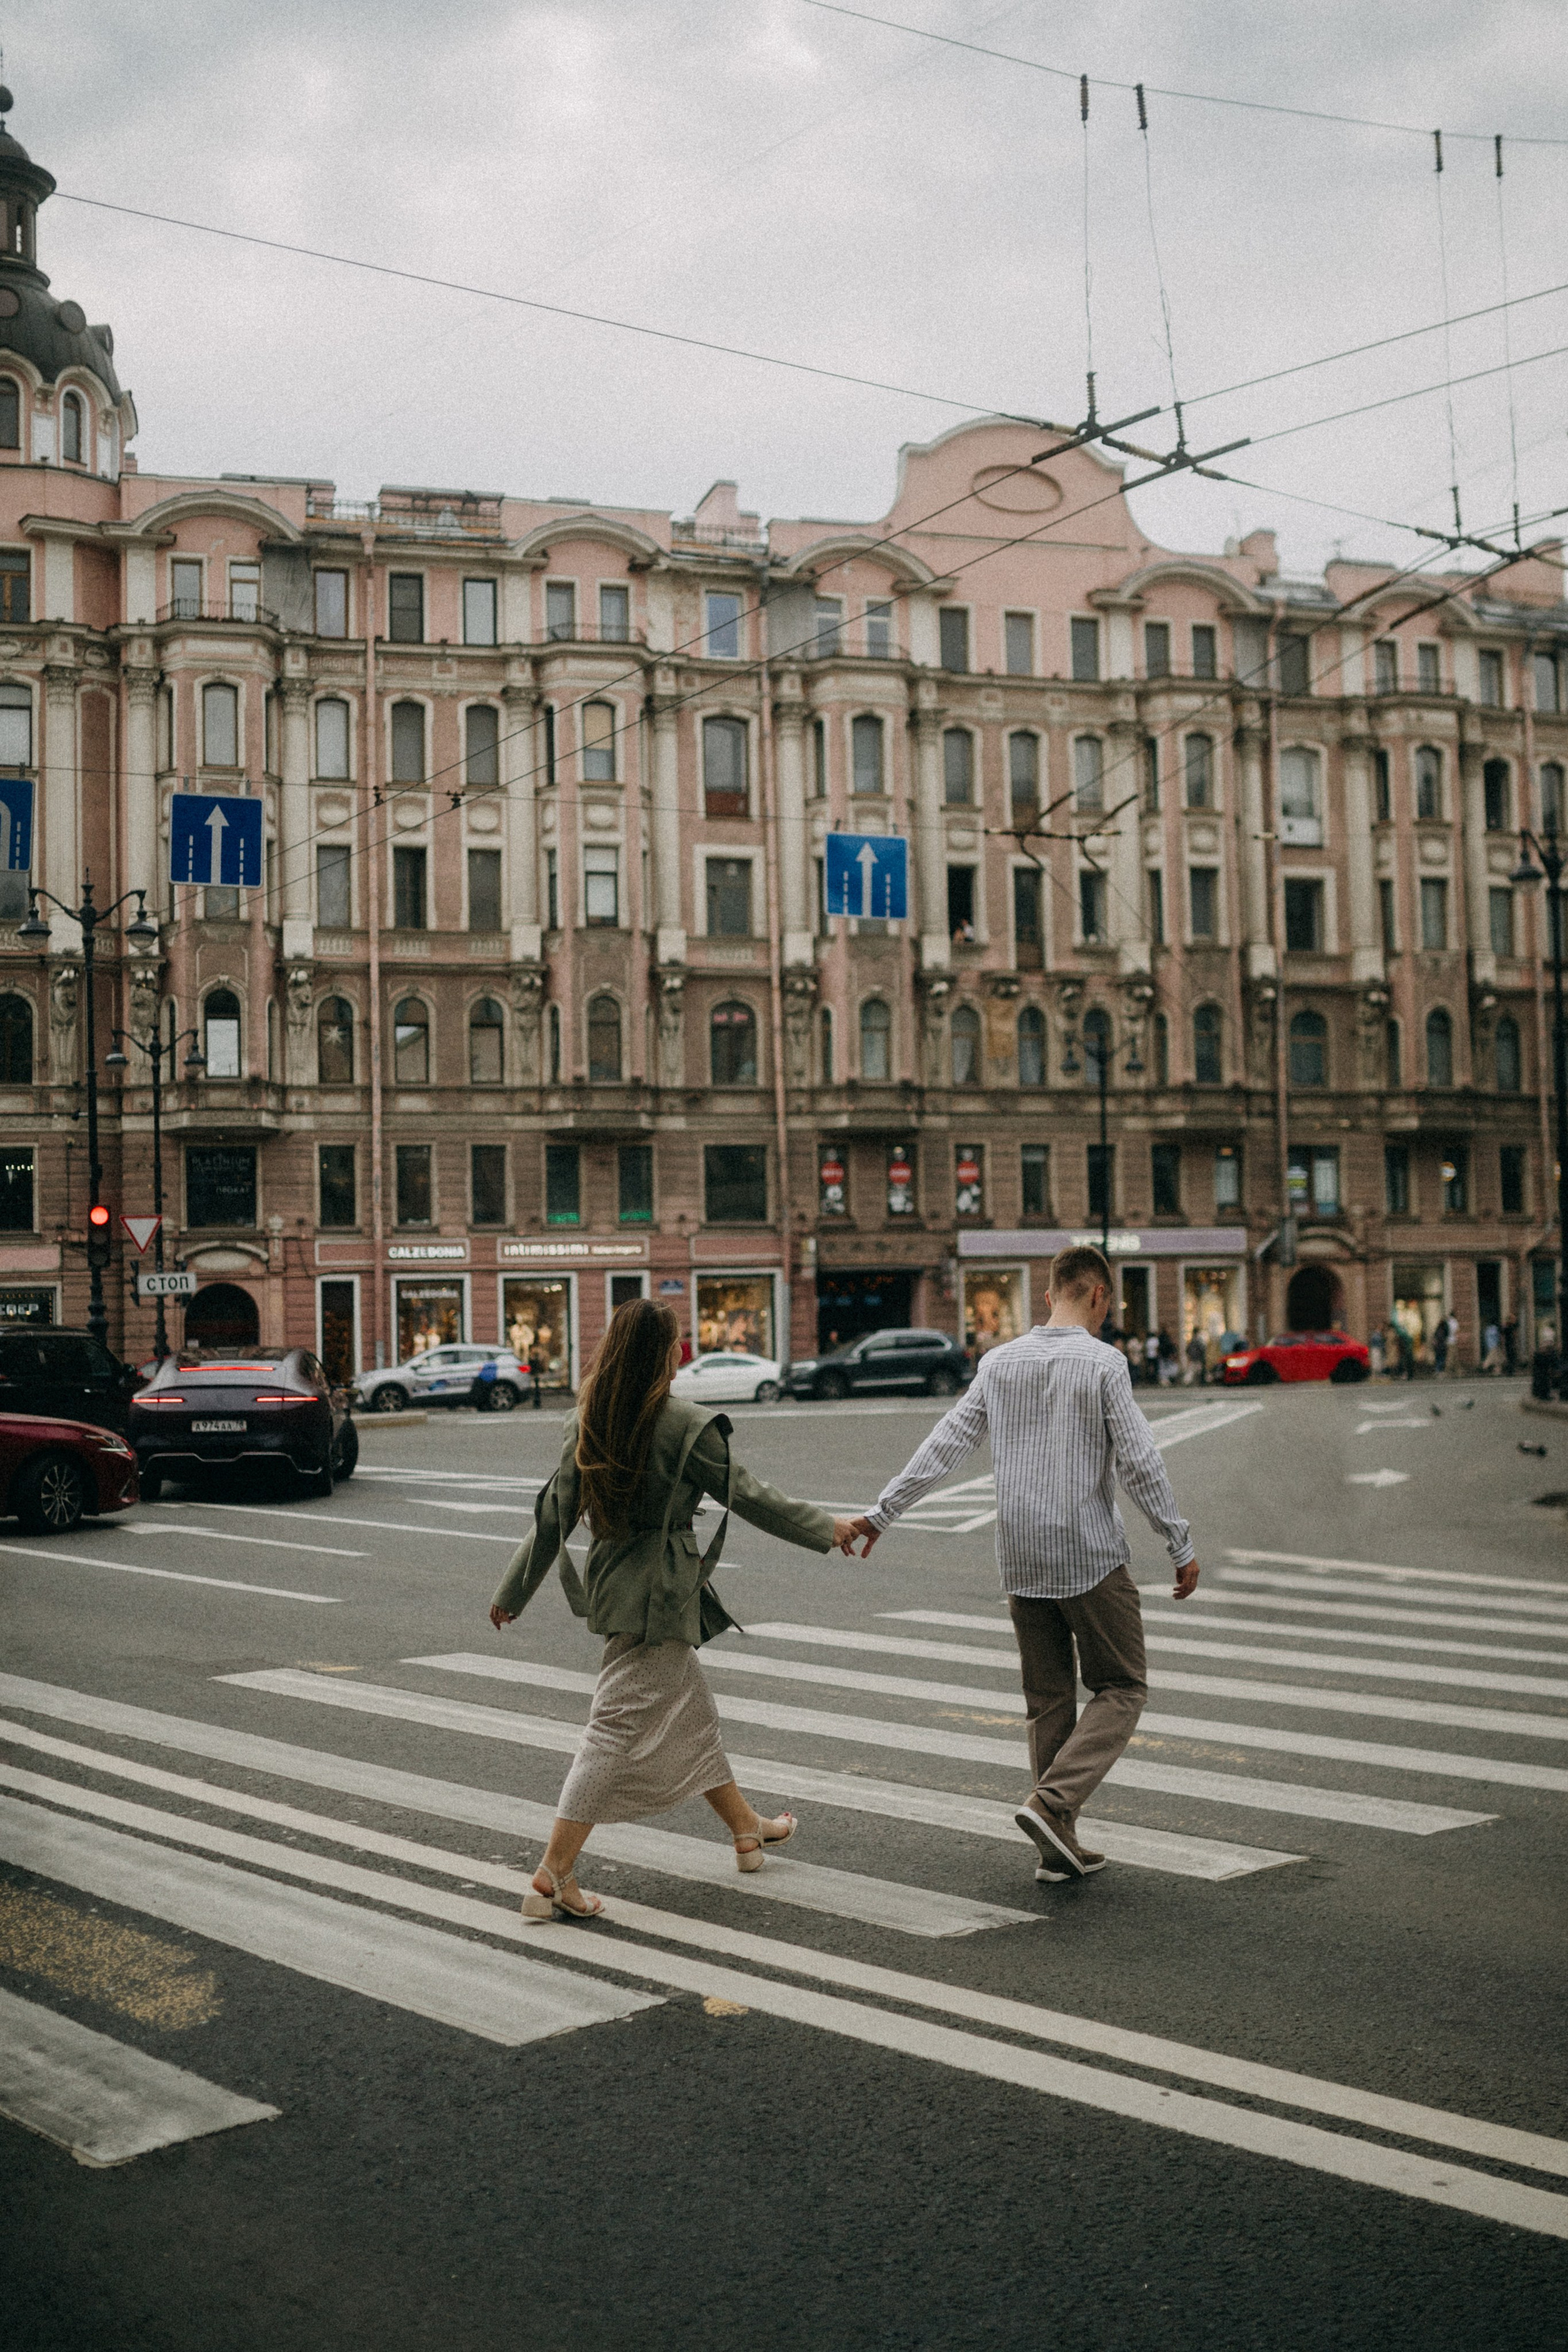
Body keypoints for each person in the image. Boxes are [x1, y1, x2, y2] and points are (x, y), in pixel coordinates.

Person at [489, 1298, 859, 1920]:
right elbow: (752, 1497)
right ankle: (553, 1872)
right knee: (611, 1731)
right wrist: (829, 1527)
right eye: (678, 1342)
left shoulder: (588, 1419)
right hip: (662, 1594)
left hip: (616, 1585)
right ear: (668, 1354)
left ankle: (747, 1830)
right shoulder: (687, 1426)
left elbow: (554, 1517)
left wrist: (511, 1592)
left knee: (692, 1717)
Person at [845, 1245, 1199, 1884]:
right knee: (1122, 1686)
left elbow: (947, 1440)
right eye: (1109, 1302)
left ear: (1048, 1295)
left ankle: (1055, 1844)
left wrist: (882, 1512)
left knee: (1047, 1699)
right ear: (1098, 1295)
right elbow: (1140, 1463)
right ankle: (1052, 1802)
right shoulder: (1104, 1364)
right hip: (1088, 1553)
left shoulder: (999, 1362)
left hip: (1020, 1554)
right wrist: (1178, 1543)